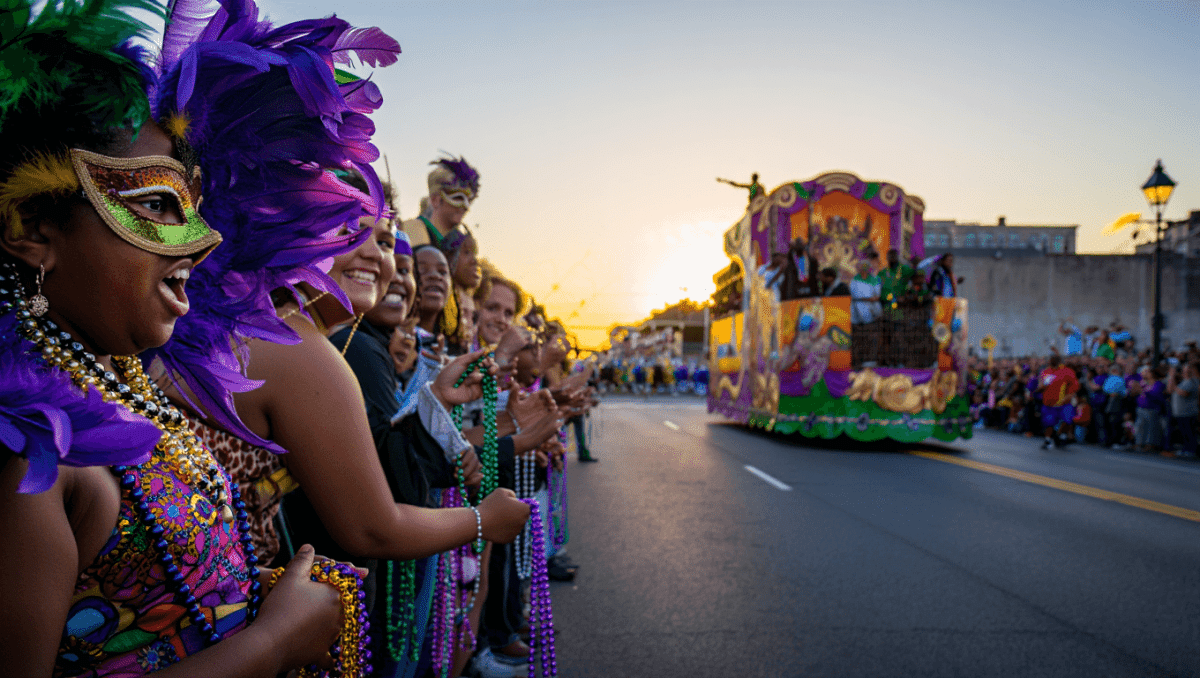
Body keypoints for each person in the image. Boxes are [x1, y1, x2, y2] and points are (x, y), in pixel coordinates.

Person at [0, 0, 364, 671]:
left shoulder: (117, 383)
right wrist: (276, 640)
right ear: (29, 227)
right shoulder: (27, 458)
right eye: (157, 205)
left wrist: (251, 601)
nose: (202, 241)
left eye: (194, 208)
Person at [401, 155, 480, 249]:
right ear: (435, 200)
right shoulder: (413, 228)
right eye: (458, 197)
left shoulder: (456, 241)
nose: (466, 207)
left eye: (469, 200)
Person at [1036, 354, 1078, 449]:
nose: (1052, 361)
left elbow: (1074, 387)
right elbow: (1039, 387)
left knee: (1068, 420)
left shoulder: (1067, 372)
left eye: (1055, 359)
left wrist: (1068, 397)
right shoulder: (1045, 372)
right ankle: (1047, 440)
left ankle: (1061, 435)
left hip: (1064, 403)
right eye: (1051, 359)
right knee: (1049, 423)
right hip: (1049, 404)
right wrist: (1042, 385)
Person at [1167, 362, 1198, 458]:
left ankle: (1191, 450)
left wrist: (1175, 386)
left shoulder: (1193, 382)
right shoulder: (1182, 382)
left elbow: (1184, 393)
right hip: (1179, 412)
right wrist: (1171, 377)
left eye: (1187, 369)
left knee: (1189, 432)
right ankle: (1186, 449)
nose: (1184, 371)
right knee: (1184, 433)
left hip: (1188, 412)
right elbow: (1169, 390)